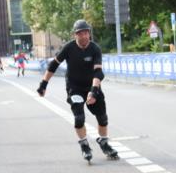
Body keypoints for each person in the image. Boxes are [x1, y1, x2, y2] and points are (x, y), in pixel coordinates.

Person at [37, 20, 119, 162]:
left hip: (92, 86)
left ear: (89, 34)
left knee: (102, 118)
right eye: (80, 34)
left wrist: (94, 91)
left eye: (86, 33)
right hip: (74, 88)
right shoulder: (69, 48)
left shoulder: (95, 48)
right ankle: (84, 145)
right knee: (79, 118)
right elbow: (53, 65)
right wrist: (43, 84)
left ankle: (104, 142)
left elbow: (98, 73)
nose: (84, 36)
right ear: (75, 35)